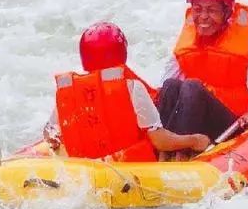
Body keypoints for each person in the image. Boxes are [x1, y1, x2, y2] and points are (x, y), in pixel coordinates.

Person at [45, 22, 211, 161]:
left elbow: (50, 134)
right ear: (122, 52)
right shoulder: (132, 88)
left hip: (84, 169)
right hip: (128, 168)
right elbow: (159, 141)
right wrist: (194, 140)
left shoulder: (69, 91)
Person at [158, 0, 248, 141]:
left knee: (192, 86)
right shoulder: (185, 45)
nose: (203, 17)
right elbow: (165, 91)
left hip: (229, 124)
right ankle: (164, 149)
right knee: (170, 85)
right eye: (197, 9)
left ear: (226, 13)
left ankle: (182, 153)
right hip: (191, 120)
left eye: (211, 11)